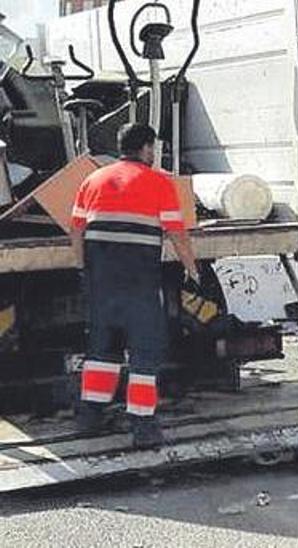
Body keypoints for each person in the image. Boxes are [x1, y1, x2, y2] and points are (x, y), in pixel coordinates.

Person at [70, 123, 200, 449]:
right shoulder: (159, 183)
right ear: (146, 148)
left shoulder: (92, 180)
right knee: (145, 351)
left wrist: (81, 267)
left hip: (101, 281)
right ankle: (143, 426)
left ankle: (90, 418)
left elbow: (76, 231)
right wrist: (192, 269)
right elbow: (177, 234)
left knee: (101, 349)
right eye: (153, 148)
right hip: (139, 283)